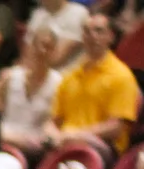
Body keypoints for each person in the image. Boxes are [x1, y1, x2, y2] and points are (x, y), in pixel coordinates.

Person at [46, 15, 141, 154]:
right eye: (87, 31)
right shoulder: (70, 76)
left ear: (111, 37)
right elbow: (54, 120)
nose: (92, 36)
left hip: (99, 148)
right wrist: (52, 134)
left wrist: (75, 135)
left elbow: (116, 127)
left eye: (99, 31)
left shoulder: (121, 76)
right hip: (64, 142)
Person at [0, 28, 64, 158]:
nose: (42, 51)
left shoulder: (59, 84)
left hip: (34, 147)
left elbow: (53, 122)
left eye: (48, 47)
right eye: (38, 45)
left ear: (55, 52)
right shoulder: (10, 77)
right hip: (4, 137)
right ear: (30, 48)